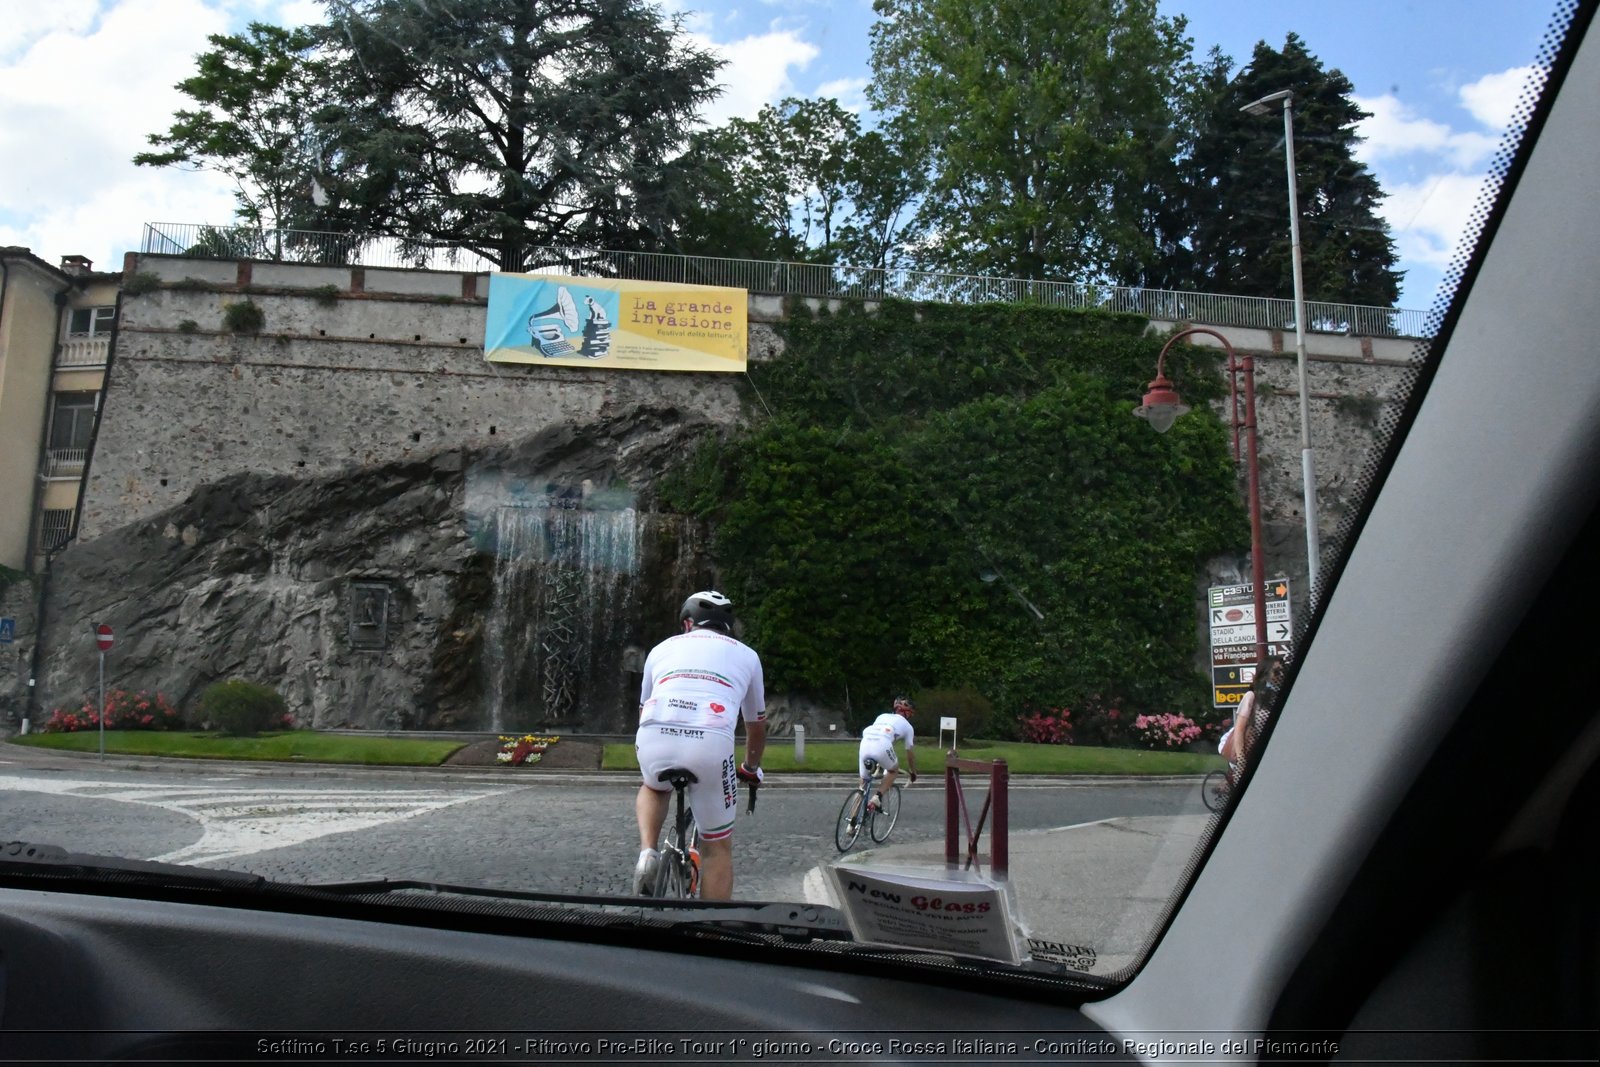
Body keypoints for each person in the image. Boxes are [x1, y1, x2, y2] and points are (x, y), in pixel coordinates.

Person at [633, 590, 765, 900]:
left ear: (687, 623)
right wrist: (750, 767)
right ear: (726, 627)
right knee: (716, 847)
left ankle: (647, 853)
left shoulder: (660, 648)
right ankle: (710, 933)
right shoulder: (747, 655)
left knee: (652, 787)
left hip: (655, 731)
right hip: (710, 740)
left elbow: (642, 711)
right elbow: (756, 726)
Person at [1218, 657, 1283, 771]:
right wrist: (1242, 760)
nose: (1281, 674)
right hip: (1252, 753)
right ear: (1265, 675)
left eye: (1284, 671)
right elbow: (1240, 729)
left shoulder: (1281, 696)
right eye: (1277, 672)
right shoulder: (1252, 696)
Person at [857, 695, 918, 812]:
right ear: (908, 713)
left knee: (862, 785)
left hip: (865, 742)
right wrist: (913, 771)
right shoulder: (908, 727)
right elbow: (909, 753)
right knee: (893, 770)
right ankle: (877, 797)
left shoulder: (882, 716)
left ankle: (852, 823)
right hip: (883, 743)